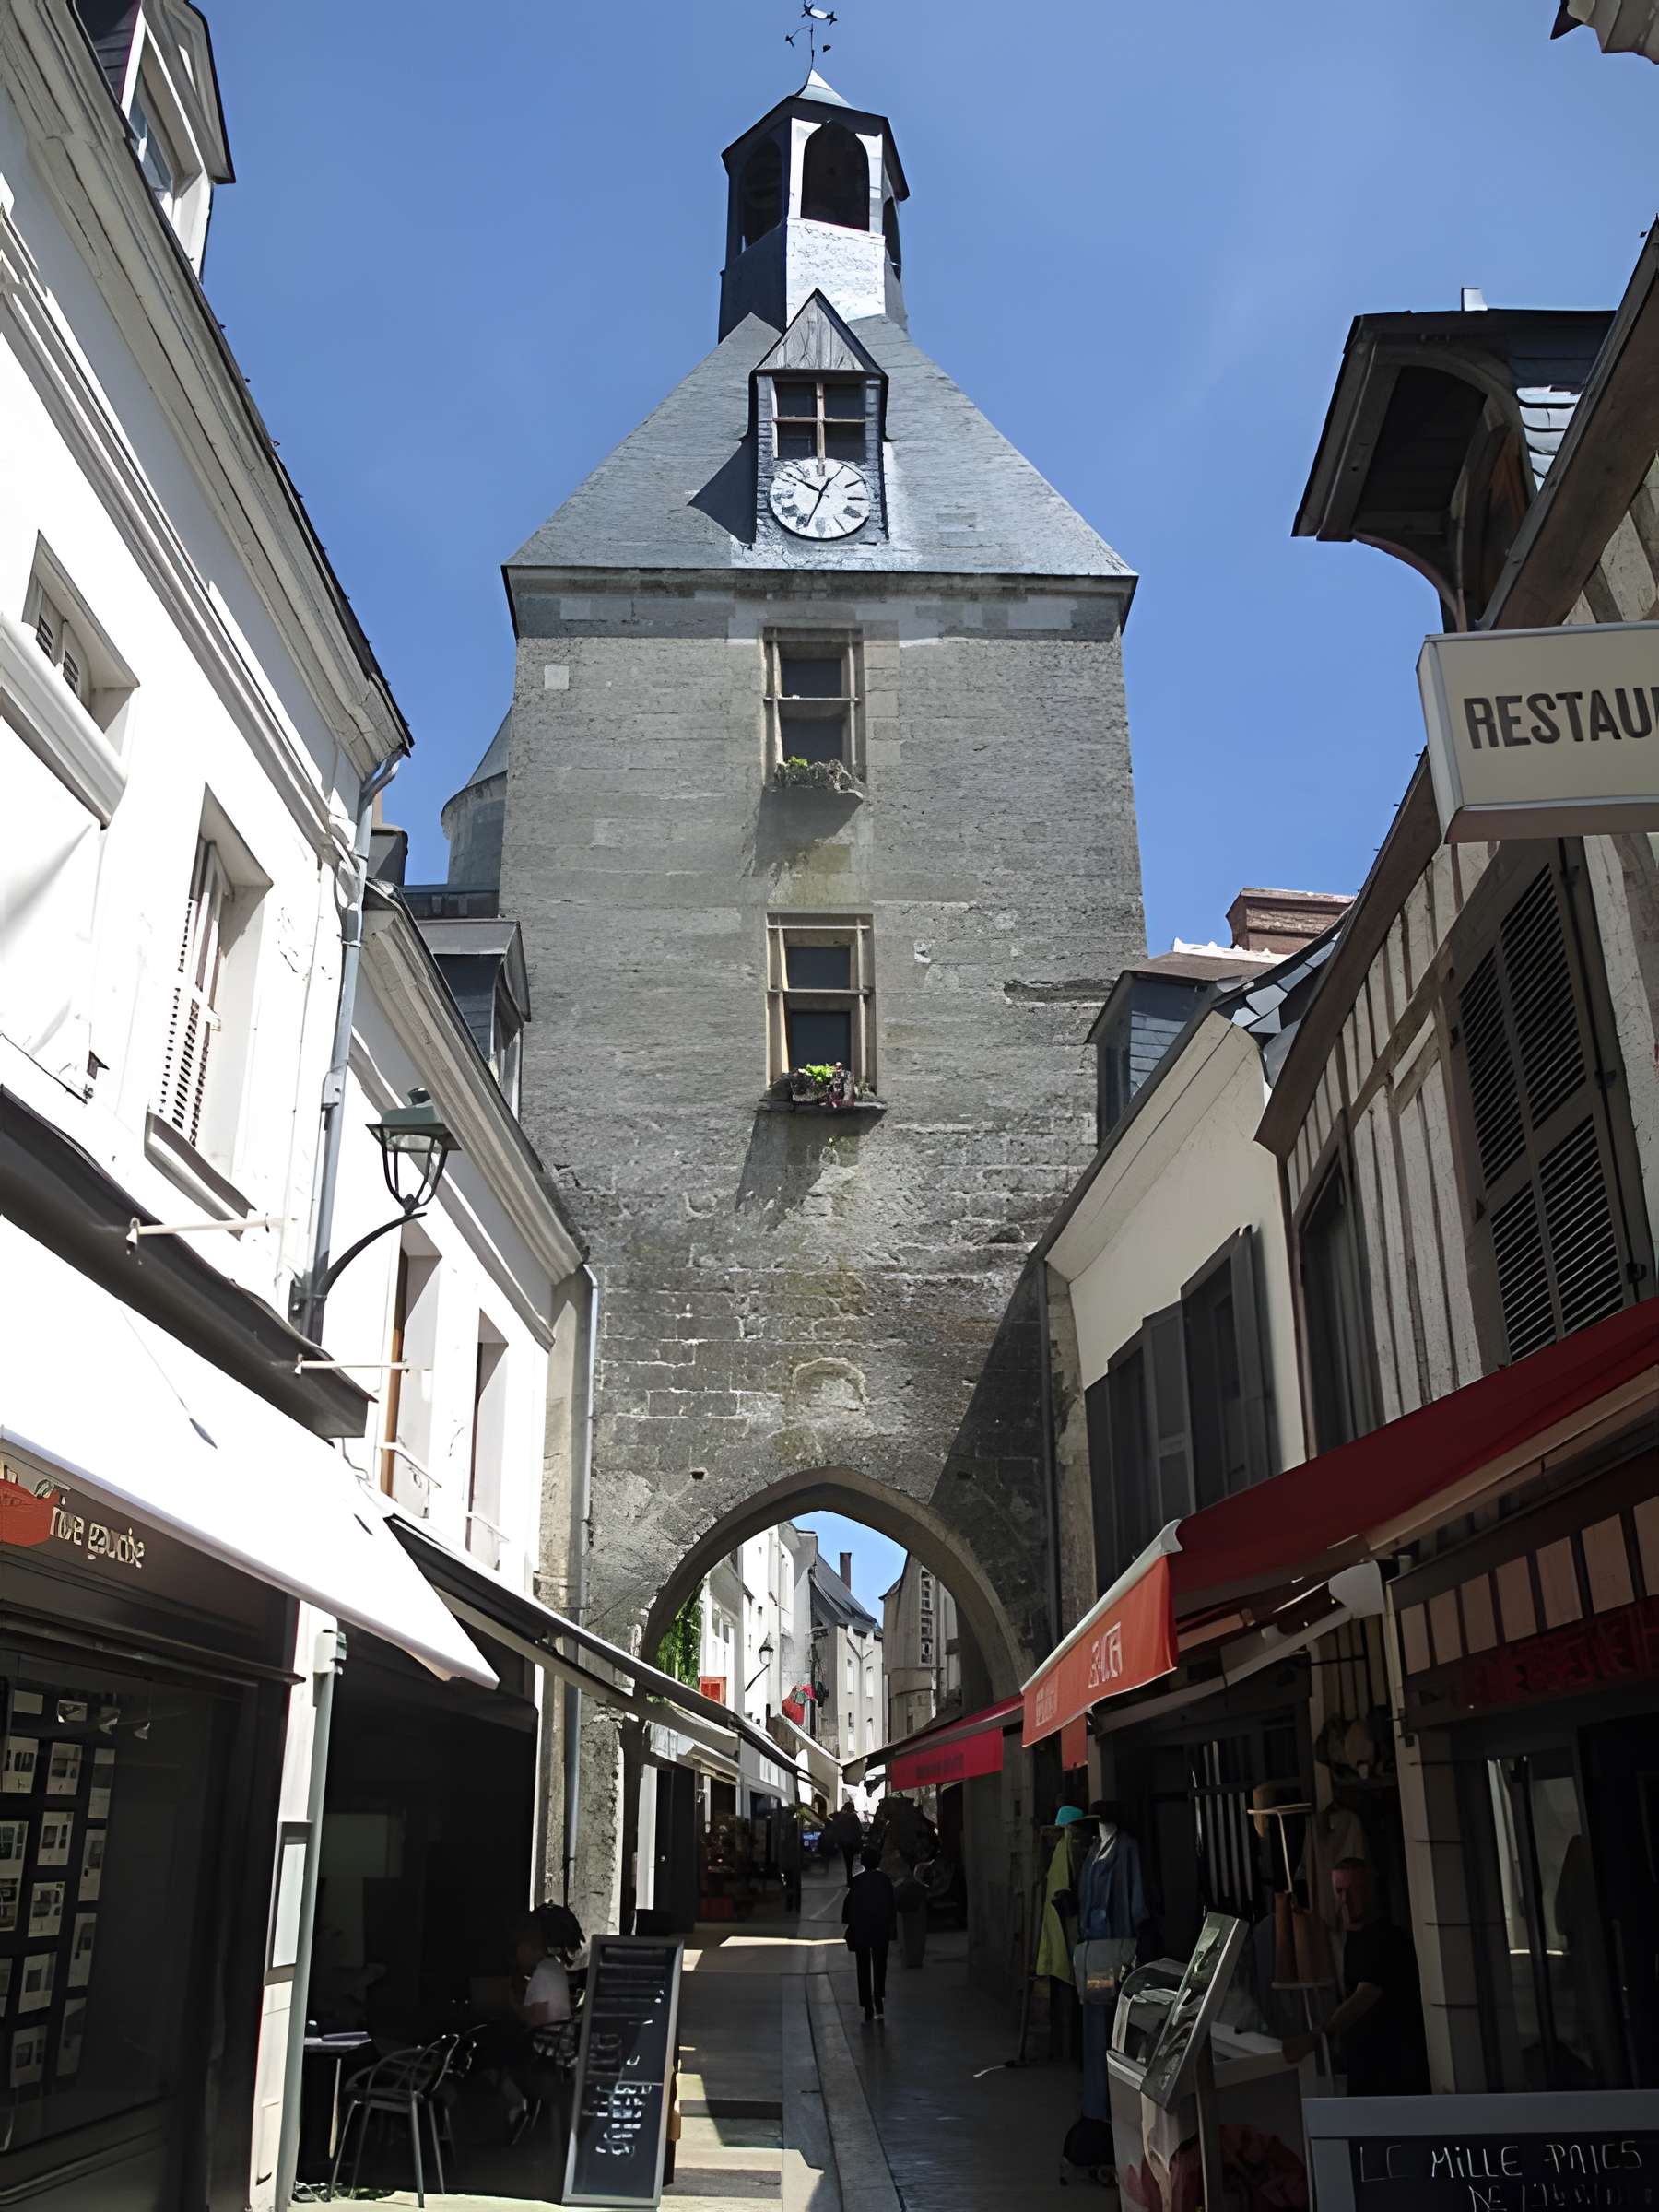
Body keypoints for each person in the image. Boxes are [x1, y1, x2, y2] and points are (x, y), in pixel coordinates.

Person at [1283, 1859, 1429, 2094]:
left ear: (1371, 1892)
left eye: (1354, 1891)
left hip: (1394, 2070)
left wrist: (1320, 2035)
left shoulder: (1387, 1939)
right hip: (1365, 2065)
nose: (1345, 1900)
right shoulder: (1353, 1938)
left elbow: (1364, 1996)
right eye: (1339, 1891)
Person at [843, 1842, 899, 2021]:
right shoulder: (885, 1881)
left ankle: (866, 2003)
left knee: (863, 1966)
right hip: (880, 1929)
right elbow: (891, 1906)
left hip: (861, 1930)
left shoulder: (857, 1881)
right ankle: (878, 1997)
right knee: (880, 1964)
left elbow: (848, 1909)